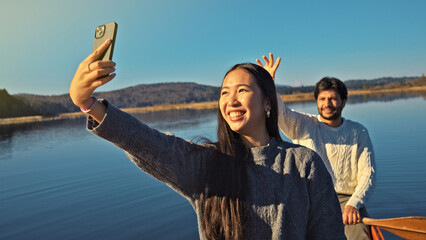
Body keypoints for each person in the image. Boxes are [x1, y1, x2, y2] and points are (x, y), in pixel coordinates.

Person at [70, 39, 346, 240]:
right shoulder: (207, 164)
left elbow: (329, 233)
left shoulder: (303, 163)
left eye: (242, 90)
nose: (231, 100)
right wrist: (88, 104)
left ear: (267, 103)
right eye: (224, 93)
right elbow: (147, 143)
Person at [257, 53, 376, 240]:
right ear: (317, 102)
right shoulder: (304, 124)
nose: (327, 104)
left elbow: (368, 174)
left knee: (360, 235)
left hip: (345, 201)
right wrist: (269, 84)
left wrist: (354, 204)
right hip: (307, 199)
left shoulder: (358, 132)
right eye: (322, 99)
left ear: (343, 102)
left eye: (333, 99)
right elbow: (281, 112)